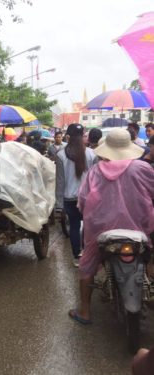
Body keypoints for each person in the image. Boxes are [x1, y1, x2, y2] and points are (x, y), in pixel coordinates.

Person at [68, 128, 154, 325]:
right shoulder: (143, 168)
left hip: (101, 230)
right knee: (149, 255)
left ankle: (85, 311)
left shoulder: (94, 172)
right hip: (140, 228)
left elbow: (82, 201)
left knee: (87, 265)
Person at [56, 124, 98, 267]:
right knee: (87, 227)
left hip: (69, 198)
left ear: (68, 136)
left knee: (74, 227)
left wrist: (59, 205)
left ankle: (77, 256)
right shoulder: (92, 154)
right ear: (83, 136)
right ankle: (87, 254)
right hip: (88, 197)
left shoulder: (61, 155)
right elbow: (96, 179)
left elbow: (60, 181)